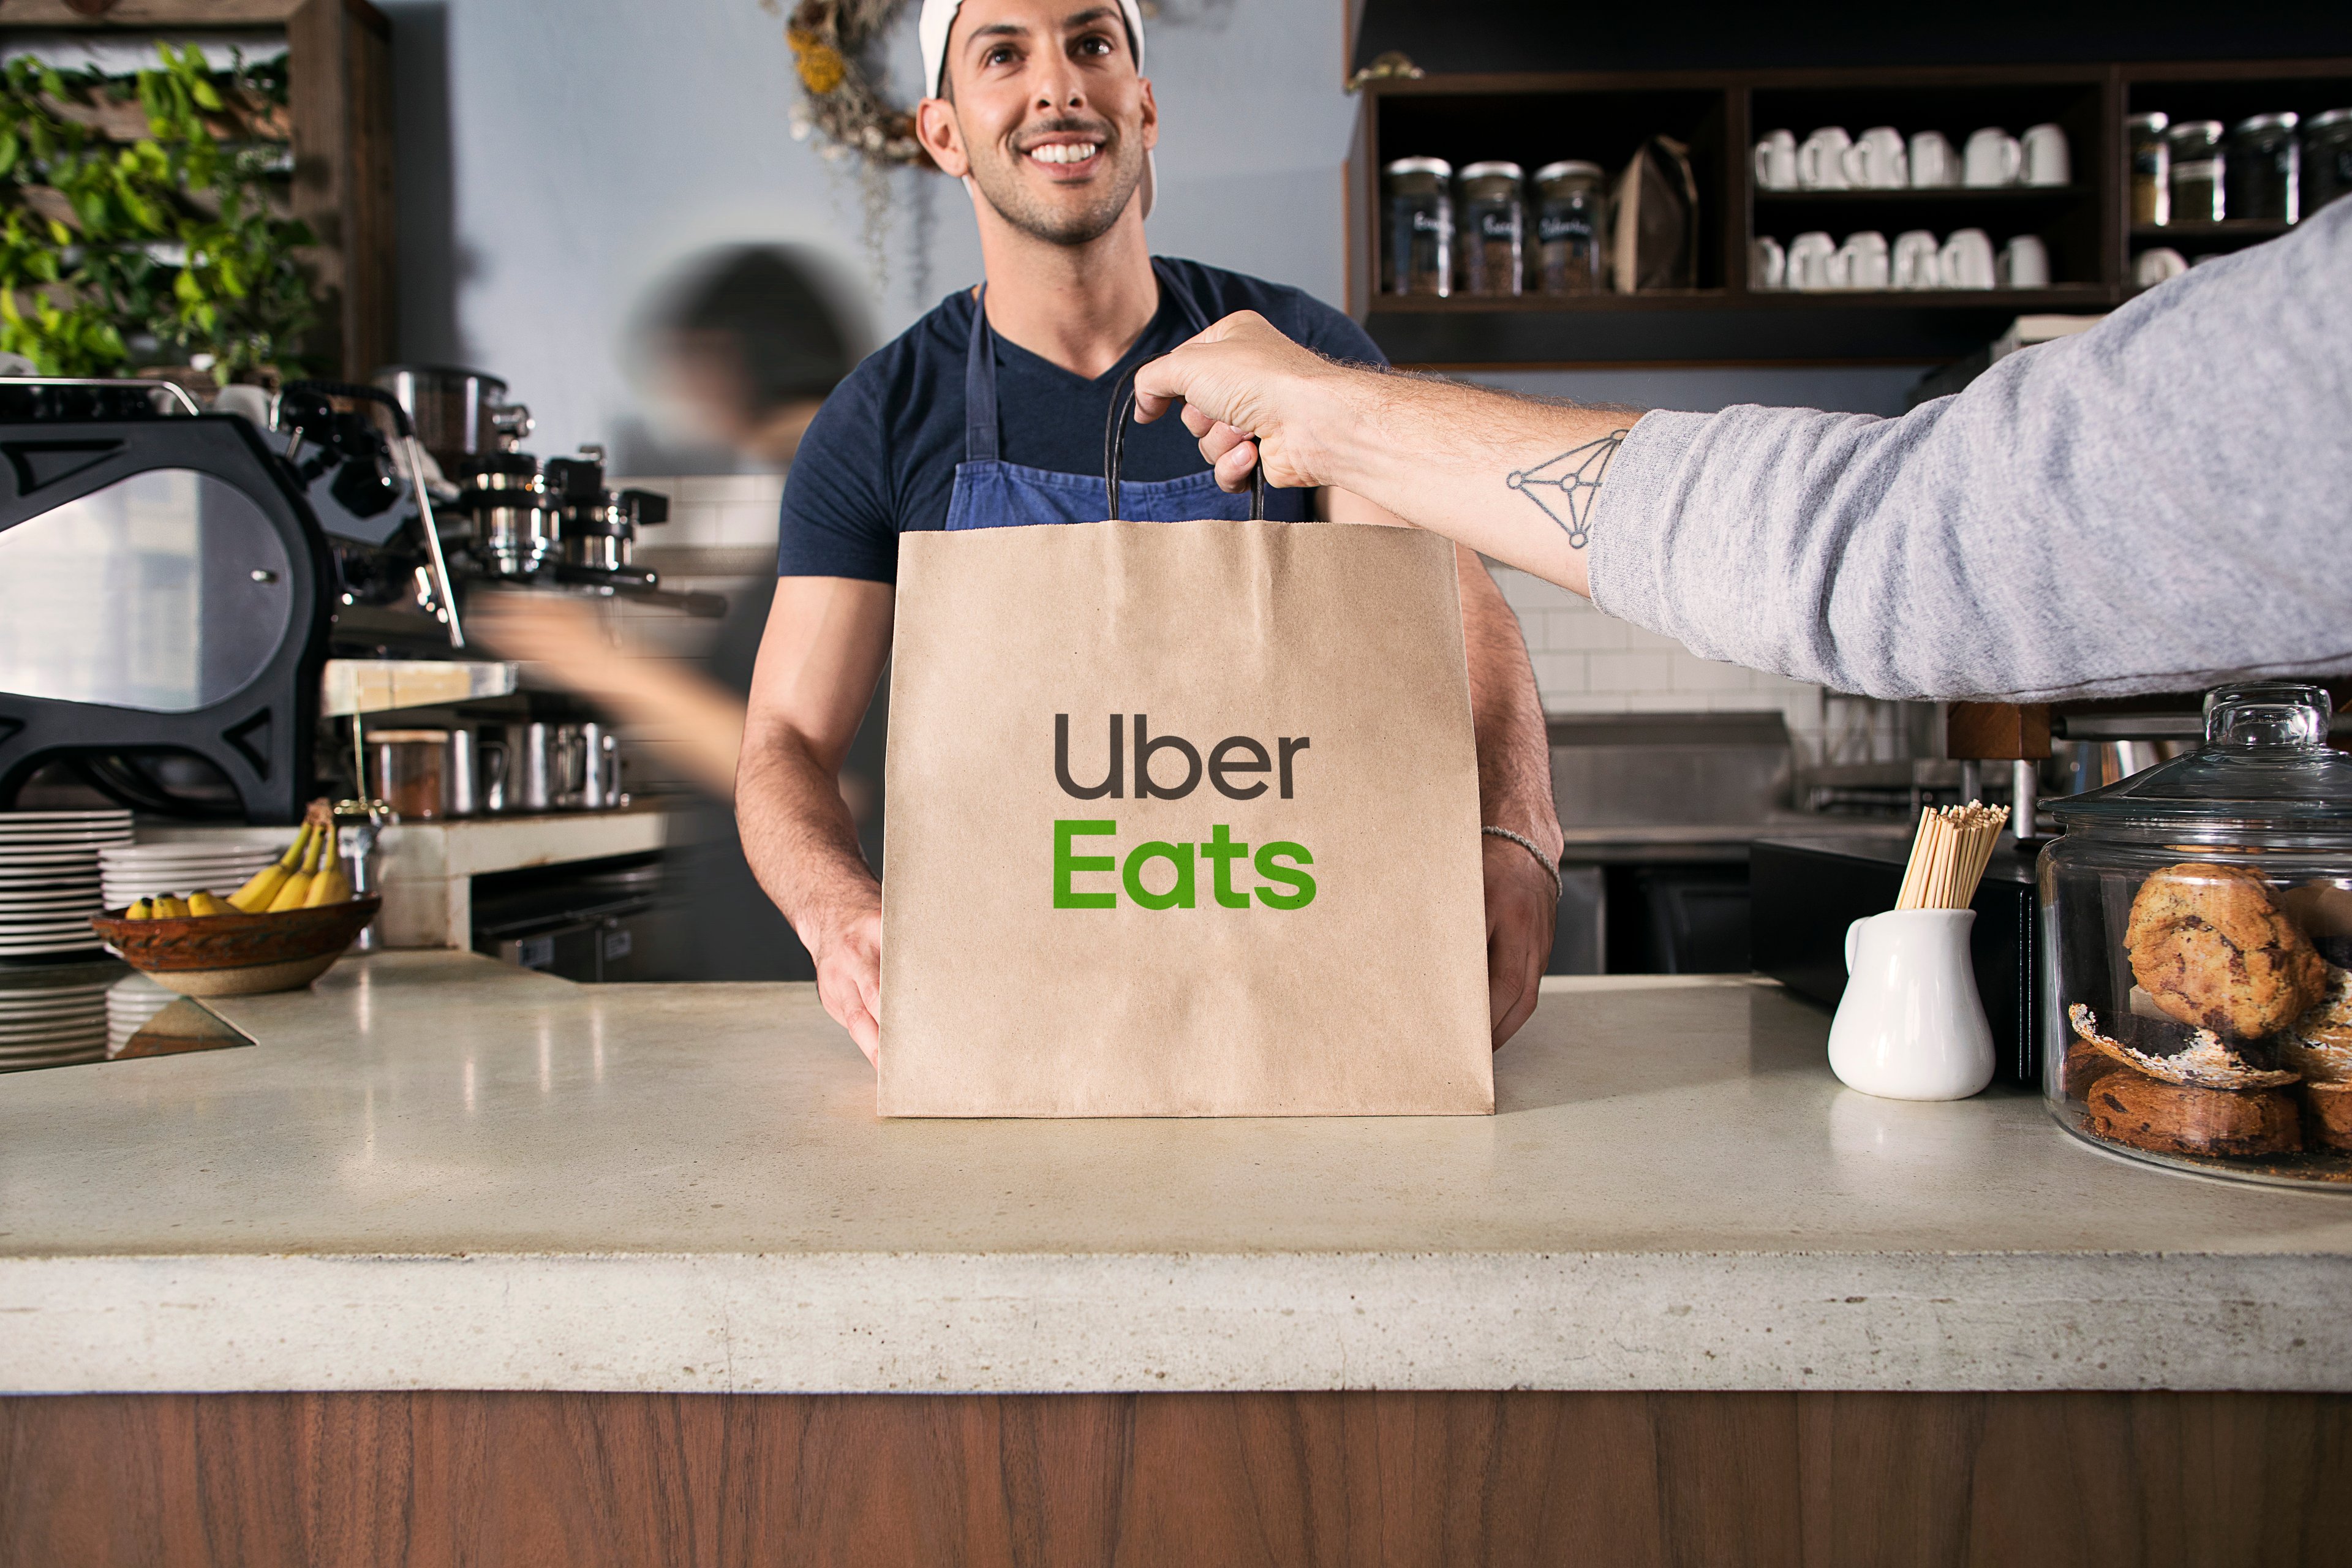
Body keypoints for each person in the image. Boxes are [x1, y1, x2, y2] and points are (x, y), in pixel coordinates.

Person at [738, 0, 1564, 1065]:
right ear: (942, 132)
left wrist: (1515, 824)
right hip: (1011, 1018)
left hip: (1301, 995)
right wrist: (837, 915)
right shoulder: (880, 420)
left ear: (1145, 104)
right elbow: (785, 746)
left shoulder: (1299, 354)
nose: (1059, 87)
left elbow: (1459, 610)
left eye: (1093, 46)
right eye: (1004, 55)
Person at [1134, 196, 2352, 704]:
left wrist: (1515, 827)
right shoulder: (929, 372)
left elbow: (1912, 547)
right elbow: (1915, 538)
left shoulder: (1315, 337)